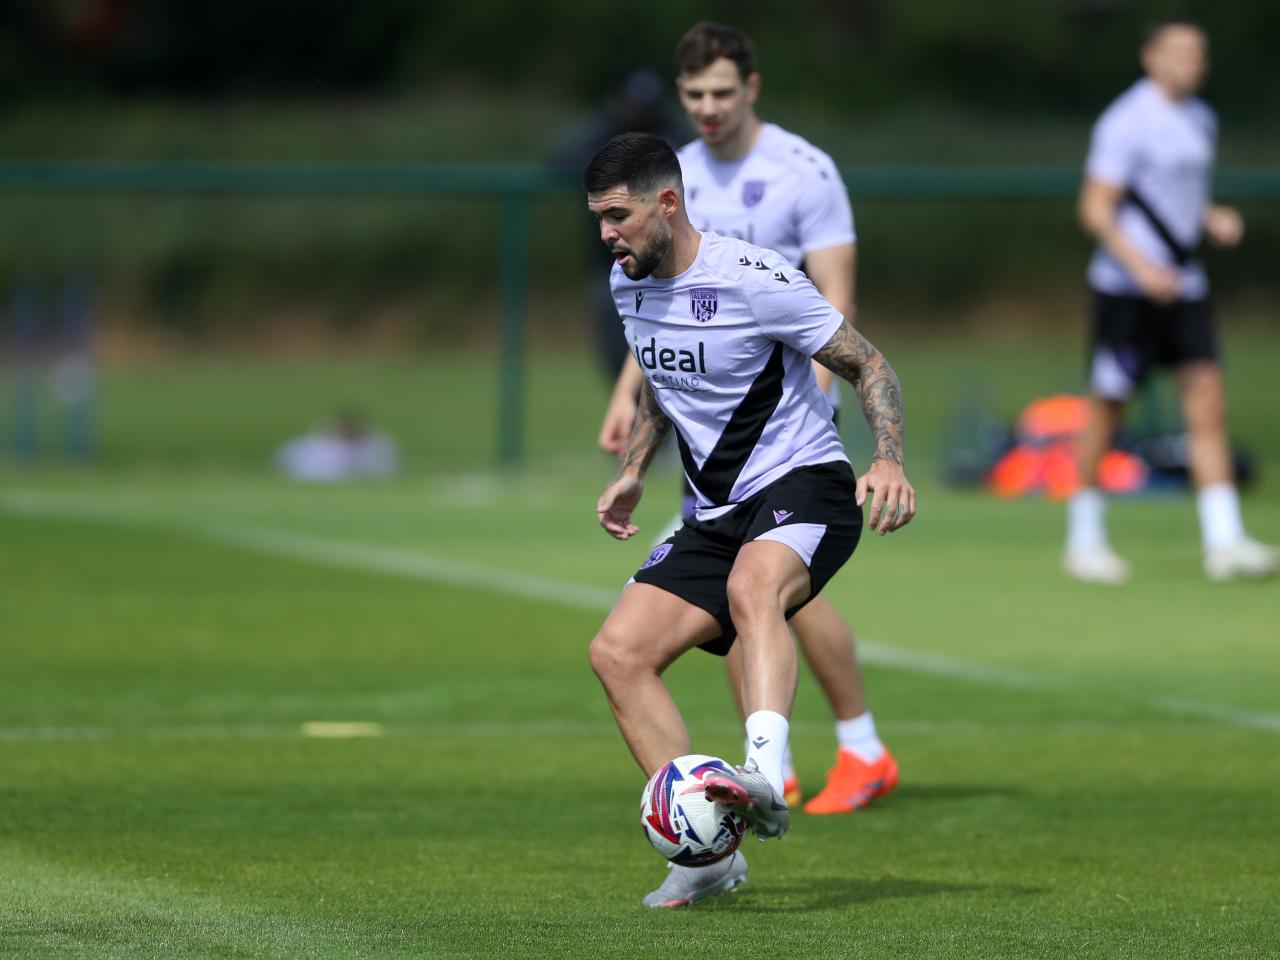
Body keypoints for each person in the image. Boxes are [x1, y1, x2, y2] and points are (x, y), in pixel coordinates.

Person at [584, 133, 914, 907]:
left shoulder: (754, 277)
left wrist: (890, 458)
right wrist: (635, 469)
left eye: (618, 215)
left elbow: (868, 362)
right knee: (617, 654)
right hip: (714, 508)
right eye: (598, 218)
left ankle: (765, 769)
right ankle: (708, 859)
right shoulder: (626, 282)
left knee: (751, 584)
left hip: (809, 483)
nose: (606, 233)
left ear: (667, 203)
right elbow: (663, 382)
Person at [1063, 17, 1278, 584]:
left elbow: (1174, 199)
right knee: (1109, 406)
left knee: (1207, 397)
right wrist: (1142, 267)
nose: (1194, 62)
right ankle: (1084, 539)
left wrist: (1213, 218)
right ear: (1151, 57)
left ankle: (1224, 540)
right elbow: (1096, 207)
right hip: (1126, 291)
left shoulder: (1201, 119)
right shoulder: (1127, 121)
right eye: (1182, 52)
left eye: (1200, 53)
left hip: (1185, 288)